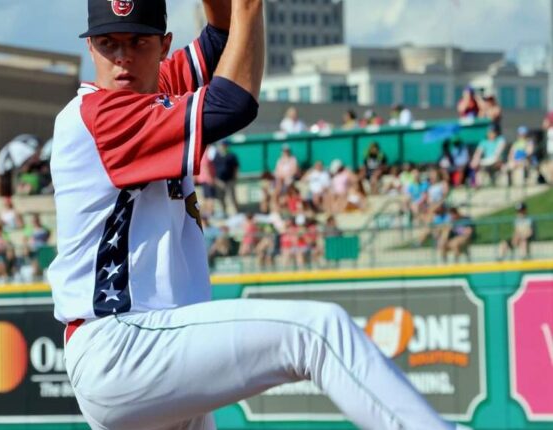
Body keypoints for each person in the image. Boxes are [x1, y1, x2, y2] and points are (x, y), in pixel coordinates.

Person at [48, 1, 451, 429]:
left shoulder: (152, 89)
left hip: (154, 353)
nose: (123, 57)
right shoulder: (98, 115)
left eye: (137, 42)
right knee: (316, 332)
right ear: (90, 47)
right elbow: (233, 101)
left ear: (164, 45)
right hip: (123, 345)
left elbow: (222, 35)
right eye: (109, 43)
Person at [212, 140, 240, 216]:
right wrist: (214, 178)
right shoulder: (216, 155)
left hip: (230, 180)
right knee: (221, 198)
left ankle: (235, 212)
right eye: (222, 145)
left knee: (231, 197)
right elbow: (213, 167)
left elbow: (236, 167)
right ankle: (224, 212)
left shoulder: (232, 155)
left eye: (225, 145)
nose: (223, 147)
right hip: (219, 180)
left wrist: (235, 178)